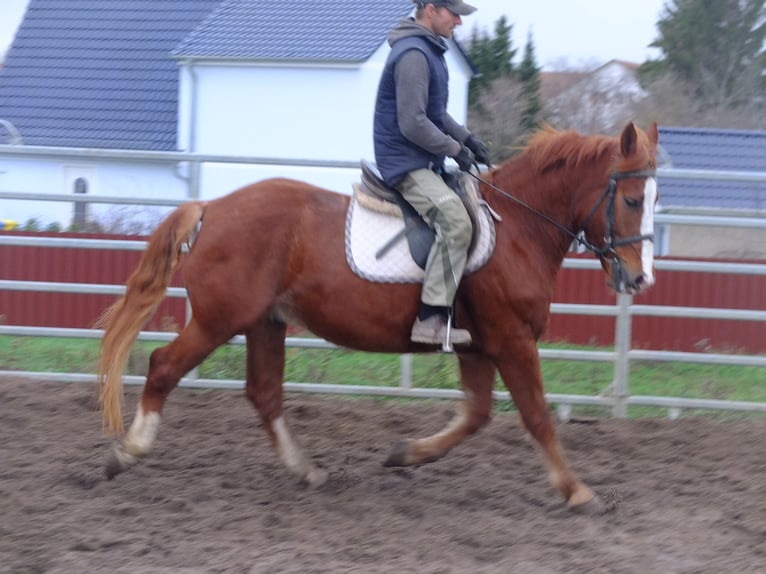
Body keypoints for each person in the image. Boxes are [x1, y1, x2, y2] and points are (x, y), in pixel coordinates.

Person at [373, 0, 491, 346]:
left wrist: (468, 139)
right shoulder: (413, 55)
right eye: (453, 13)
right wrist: (456, 151)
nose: (459, 22)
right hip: (405, 164)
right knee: (456, 221)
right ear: (429, 9)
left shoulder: (429, 51)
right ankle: (429, 319)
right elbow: (413, 123)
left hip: (424, 160)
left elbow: (436, 114)